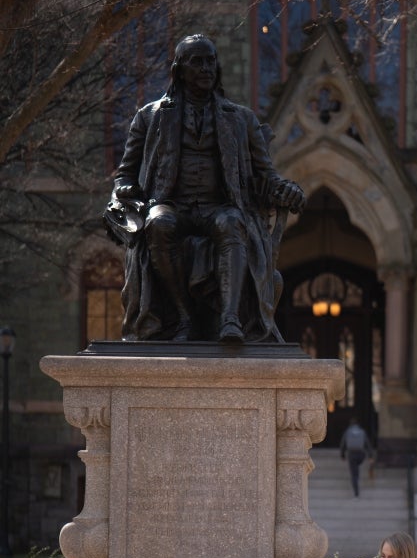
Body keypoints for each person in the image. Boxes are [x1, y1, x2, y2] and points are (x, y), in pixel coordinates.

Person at [104, 33, 305, 343]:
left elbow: (266, 177)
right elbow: (126, 174)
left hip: (219, 207)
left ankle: (230, 321)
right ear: (179, 71)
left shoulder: (241, 119)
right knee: (158, 223)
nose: (206, 68)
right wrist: (123, 196)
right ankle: (182, 317)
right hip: (173, 205)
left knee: (232, 222)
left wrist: (288, 189)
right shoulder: (149, 117)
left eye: (210, 61)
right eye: (197, 62)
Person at [339, 418, 374, 496]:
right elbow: (367, 444)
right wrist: (370, 456)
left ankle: (356, 492)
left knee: (354, 474)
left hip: (351, 454)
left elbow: (343, 444)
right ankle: (357, 470)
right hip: (361, 454)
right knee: (357, 466)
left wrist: (342, 455)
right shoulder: (362, 432)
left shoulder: (347, 432)